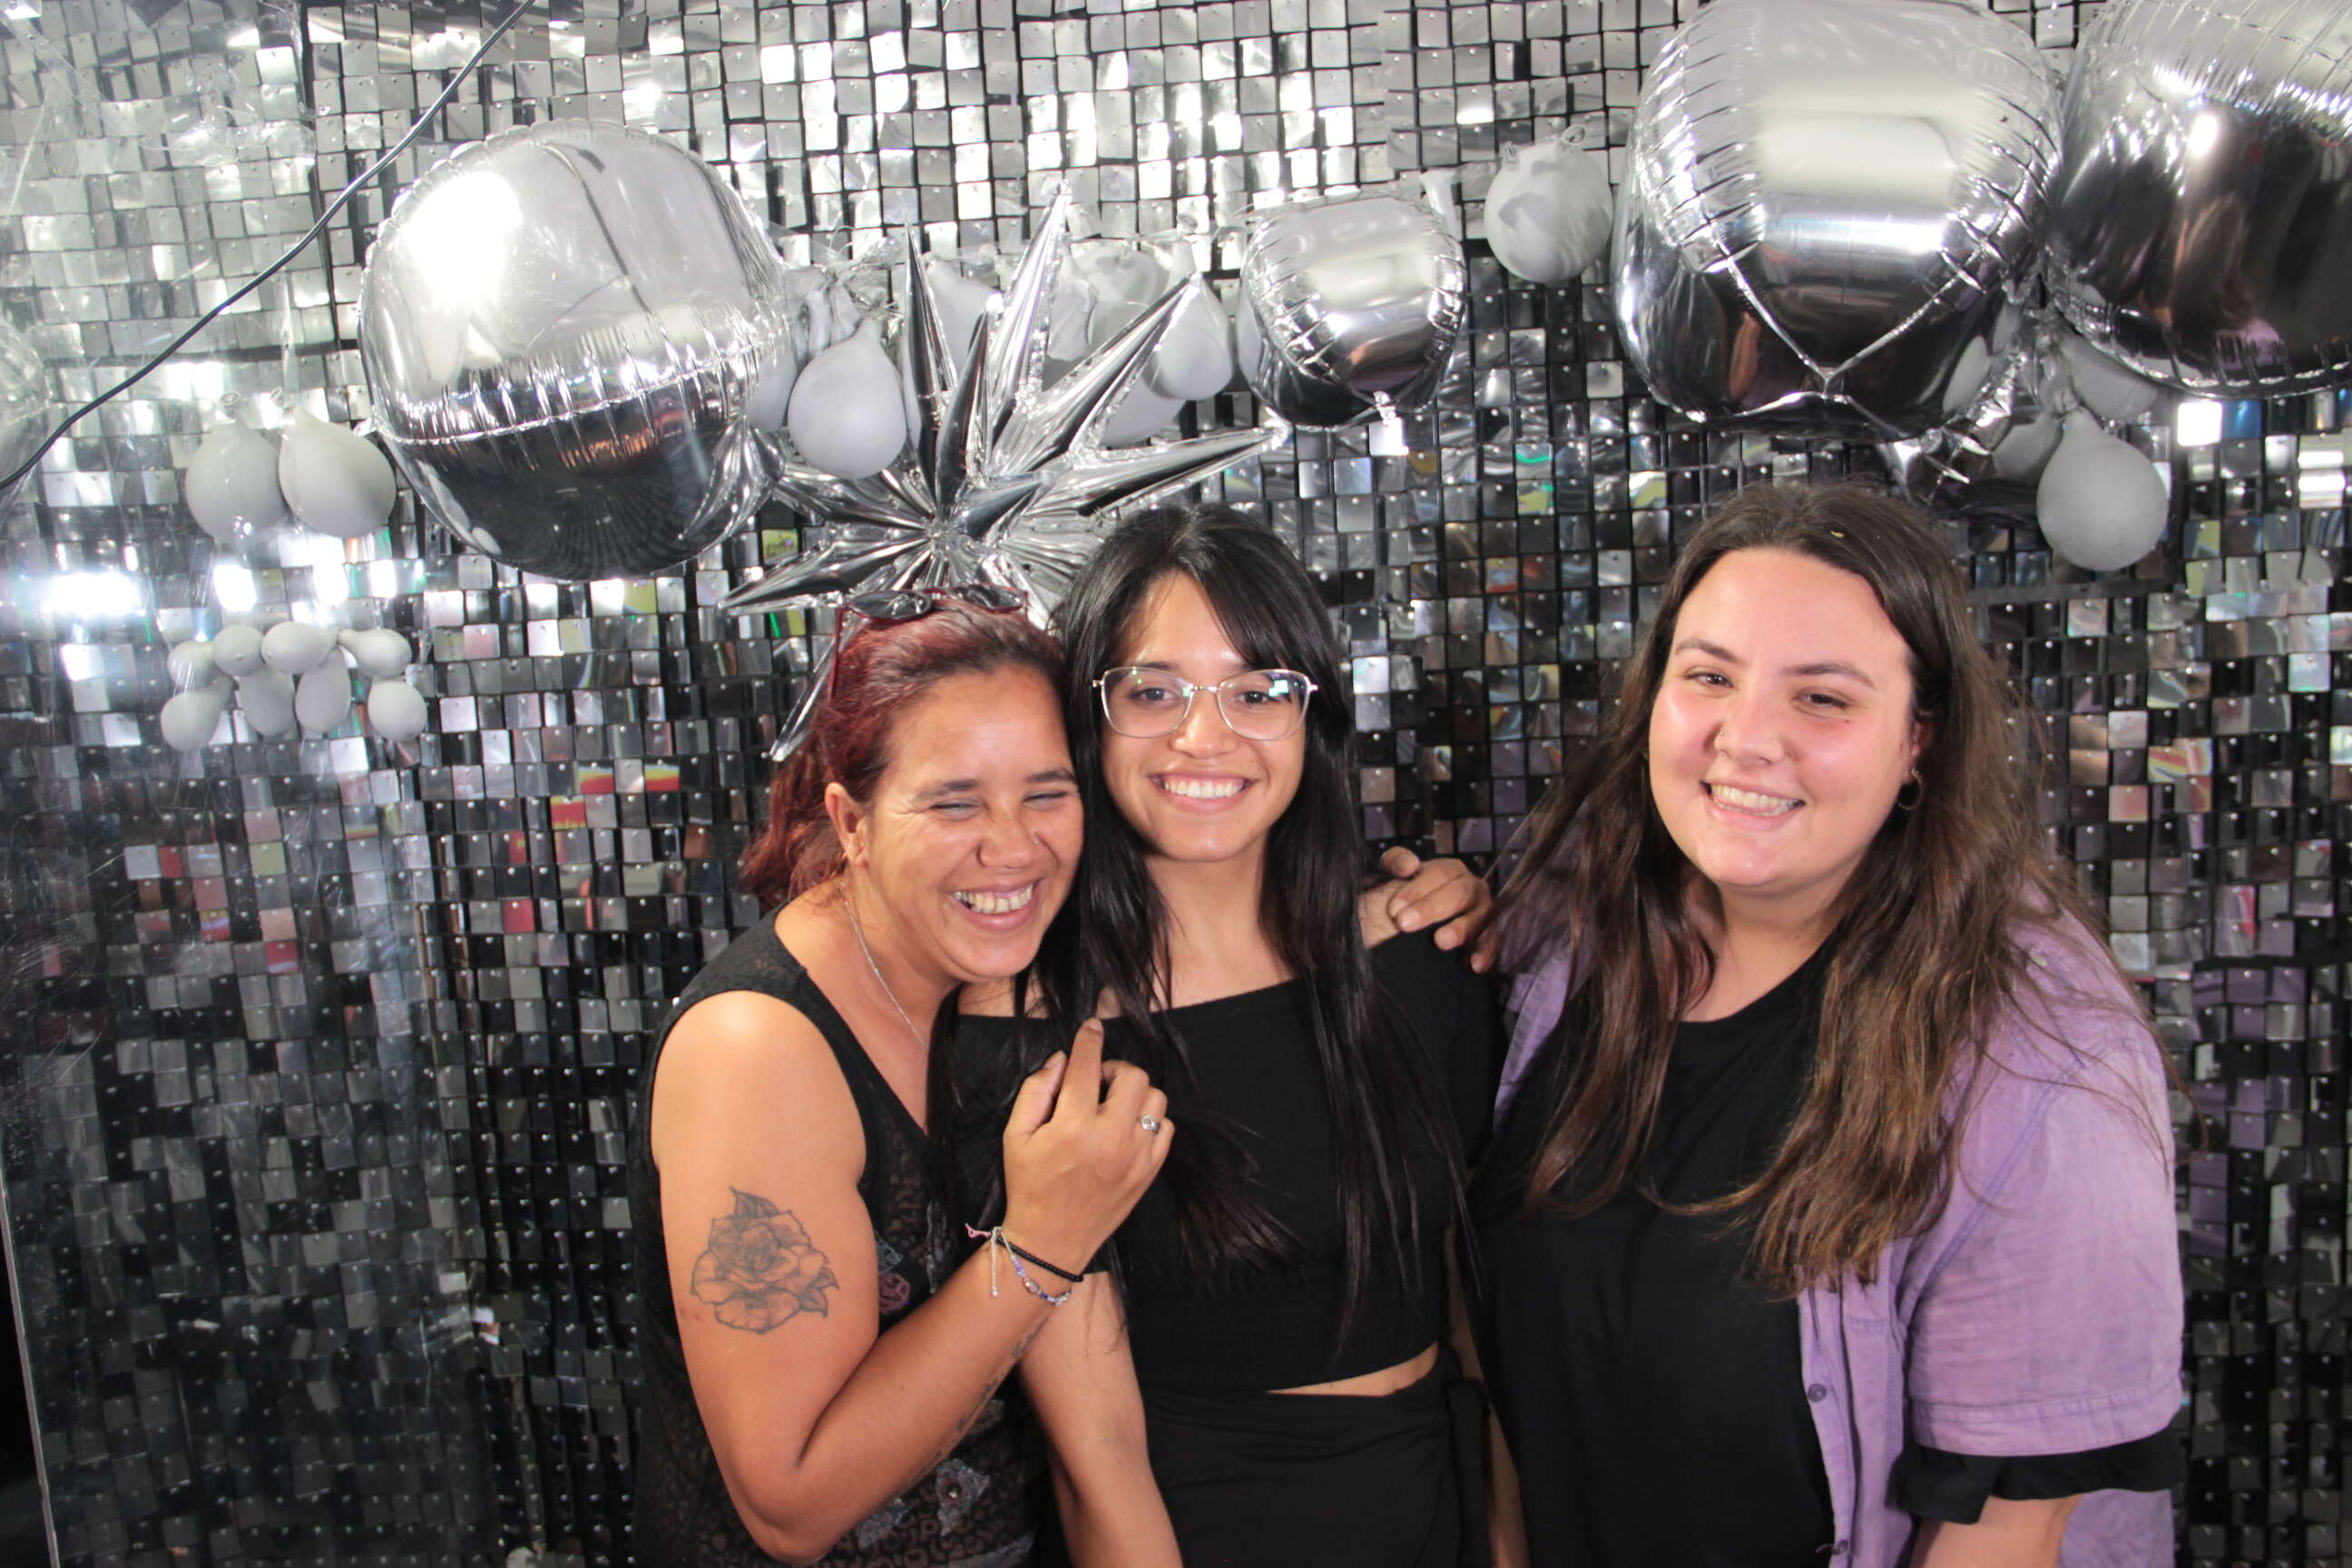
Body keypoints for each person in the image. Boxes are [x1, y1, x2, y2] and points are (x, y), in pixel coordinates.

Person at [1473, 482, 2183, 1568]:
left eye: (1822, 698)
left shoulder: (2046, 1057)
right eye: (1709, 676)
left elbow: (2005, 1538)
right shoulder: (1571, 928)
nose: (1746, 738)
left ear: (1919, 740)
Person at [955, 505, 1506, 1568]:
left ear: (1312, 717)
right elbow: (1096, 1462)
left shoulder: (1420, 955)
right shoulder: (1032, 1042)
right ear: (1090, 717)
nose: (1205, 738)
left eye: (1258, 691)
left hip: (1441, 1506)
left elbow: (1484, 1308)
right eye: (1153, 691)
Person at [629, 593, 1173, 1567]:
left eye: (1046, 794)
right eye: (954, 802)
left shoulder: (986, 977)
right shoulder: (757, 1051)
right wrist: (1044, 1244)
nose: (1013, 846)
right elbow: (791, 1506)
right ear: (853, 821)